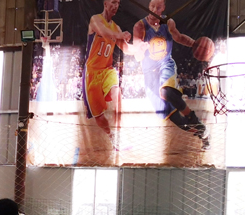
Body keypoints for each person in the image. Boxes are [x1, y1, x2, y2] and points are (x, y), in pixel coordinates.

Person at [132, 0, 209, 150]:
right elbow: (137, 56)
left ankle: (194, 119)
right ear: (148, 7)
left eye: (158, 7)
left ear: (163, 8)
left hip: (165, 65)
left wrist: (194, 44)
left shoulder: (168, 22)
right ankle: (202, 132)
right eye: (152, 6)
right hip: (149, 75)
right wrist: (140, 49)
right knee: (175, 119)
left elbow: (178, 37)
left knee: (165, 91)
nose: (154, 10)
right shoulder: (139, 26)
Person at [82, 0, 146, 151]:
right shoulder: (95, 20)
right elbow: (104, 32)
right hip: (91, 73)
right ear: (105, 3)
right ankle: (112, 136)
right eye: (113, 2)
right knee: (99, 116)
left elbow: (126, 48)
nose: (115, 6)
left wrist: (139, 48)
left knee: (116, 91)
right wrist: (120, 35)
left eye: (118, 3)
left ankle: (119, 133)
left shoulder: (116, 28)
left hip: (107, 70)